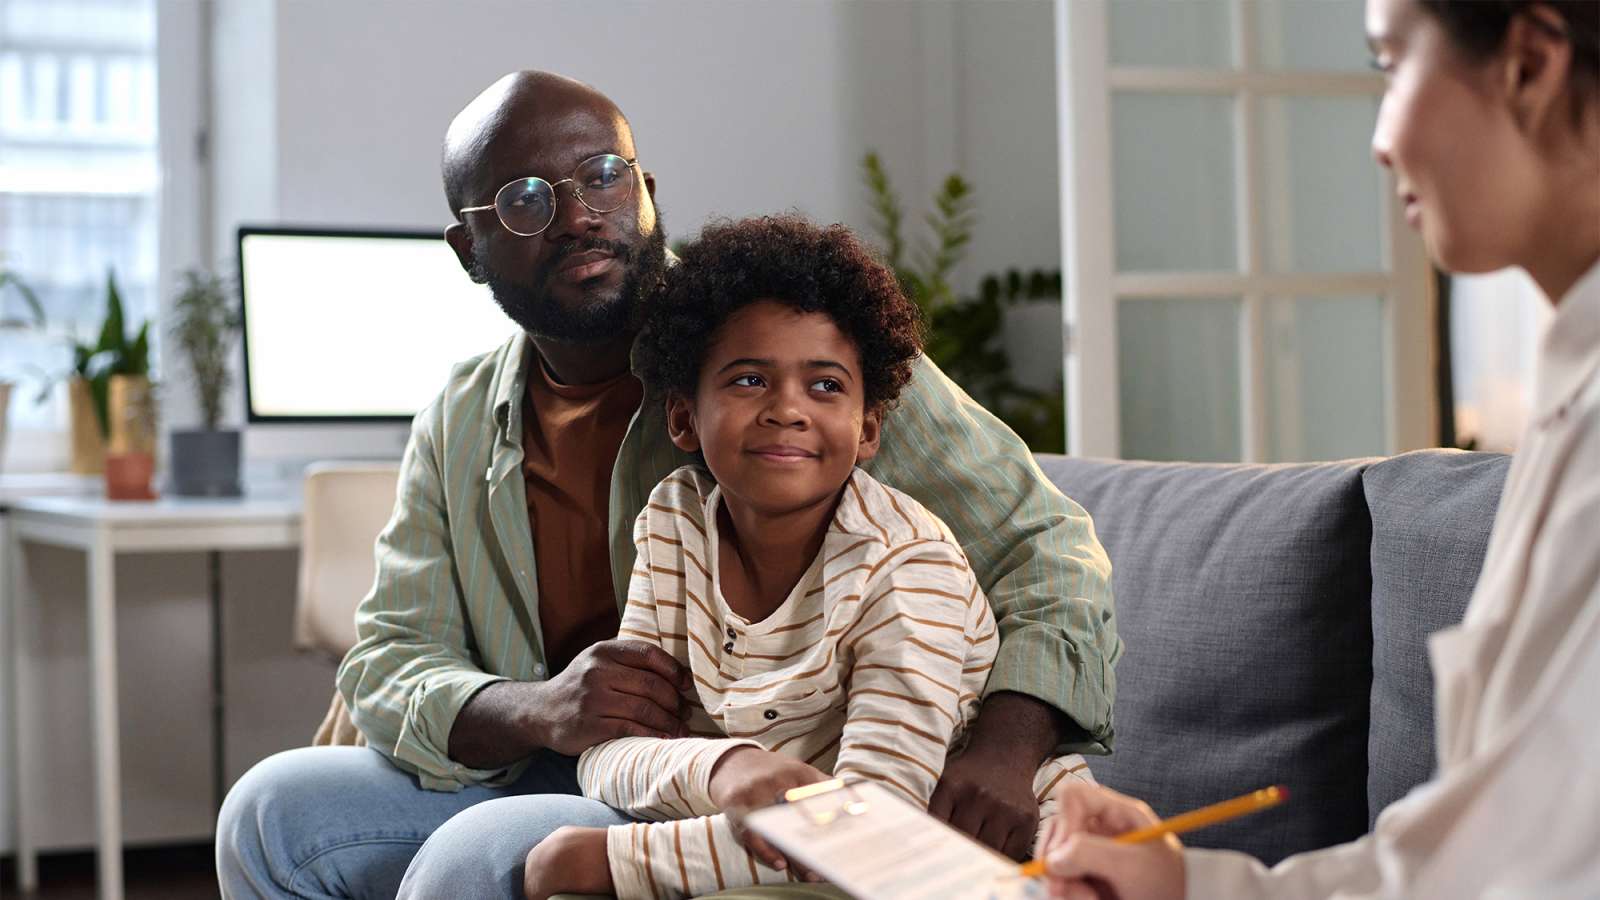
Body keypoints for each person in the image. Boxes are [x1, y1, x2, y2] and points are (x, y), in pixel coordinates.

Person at [215, 70, 1121, 899]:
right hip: (577, 762)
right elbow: (387, 659)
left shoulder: (795, 353)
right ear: (468, 248)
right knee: (270, 809)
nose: (577, 215)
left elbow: (1045, 554)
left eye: (603, 175)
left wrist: (1007, 749)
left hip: (741, 777)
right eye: (526, 200)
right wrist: (539, 710)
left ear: (647, 196)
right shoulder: (460, 418)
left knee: (476, 854)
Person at [1039, 1, 1600, 897]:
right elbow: (1448, 865)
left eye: (1389, 65)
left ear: (1528, 65)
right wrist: (1178, 884)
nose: (1380, 141)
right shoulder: (1569, 402)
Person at [518, 215, 1095, 900]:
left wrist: (612, 860)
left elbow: (872, 831)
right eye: (748, 380)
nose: (788, 409)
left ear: (869, 428)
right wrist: (725, 768)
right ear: (682, 418)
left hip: (987, 868)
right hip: (801, 854)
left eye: (825, 386)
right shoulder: (673, 526)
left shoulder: (909, 567)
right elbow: (610, 754)